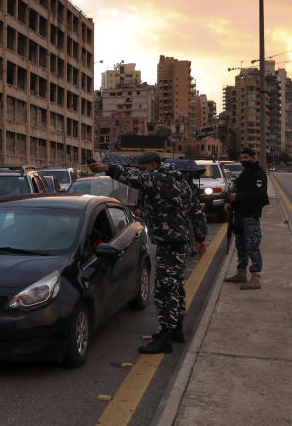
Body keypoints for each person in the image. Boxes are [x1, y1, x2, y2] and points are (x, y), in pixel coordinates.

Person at [89, 151, 207, 353]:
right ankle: (176, 329)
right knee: (176, 286)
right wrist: (200, 238)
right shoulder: (180, 180)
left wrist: (108, 169)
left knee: (165, 290)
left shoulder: (160, 179)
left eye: (144, 168)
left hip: (170, 243)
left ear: (154, 164)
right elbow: (196, 210)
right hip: (178, 241)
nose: (143, 172)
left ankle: (165, 338)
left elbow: (136, 178)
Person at [223, 147, 268, 290]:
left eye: (246, 158)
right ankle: (241, 273)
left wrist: (238, 197)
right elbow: (237, 190)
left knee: (252, 245)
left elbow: (258, 194)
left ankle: (255, 277)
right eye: (242, 158)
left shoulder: (258, 174)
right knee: (240, 245)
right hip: (240, 214)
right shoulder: (245, 173)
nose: (243, 160)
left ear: (254, 158)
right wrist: (230, 203)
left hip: (250, 214)